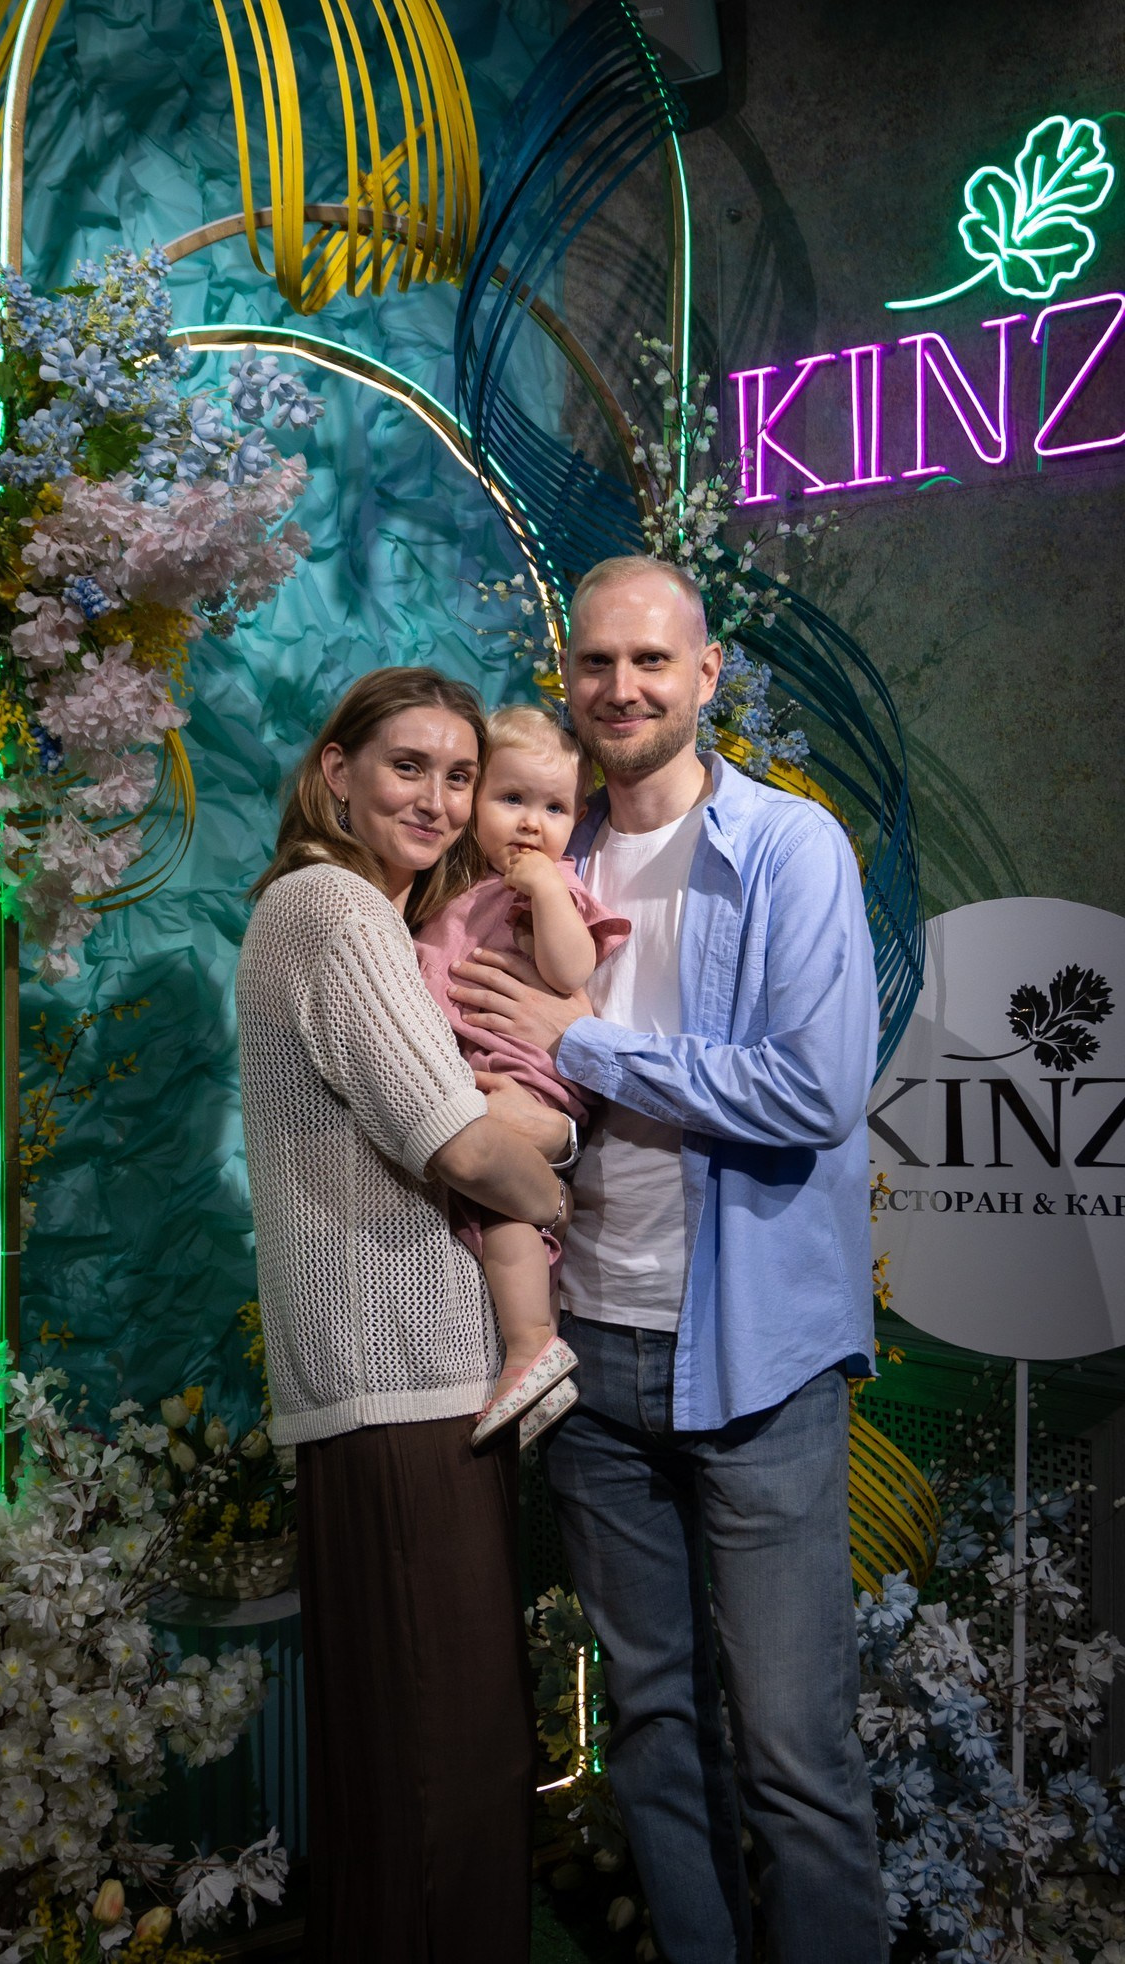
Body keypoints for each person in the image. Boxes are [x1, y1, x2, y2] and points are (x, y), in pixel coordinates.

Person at [446, 554, 890, 1964]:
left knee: (793, 1754)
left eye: (651, 660)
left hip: (757, 1366)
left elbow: (814, 1091)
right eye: (596, 661)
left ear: (706, 674)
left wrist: (585, 1045)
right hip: (589, 1363)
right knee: (649, 1732)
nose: (622, 687)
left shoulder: (789, 849)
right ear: (567, 678)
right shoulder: (543, 853)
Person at [236, 665, 569, 1964]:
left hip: (392, 1392)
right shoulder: (335, 909)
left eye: (459, 775)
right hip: (400, 1392)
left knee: (399, 1773)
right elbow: (466, 1146)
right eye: (406, 767)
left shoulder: (360, 915)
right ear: (337, 773)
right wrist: (560, 1170)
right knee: (451, 1773)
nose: (436, 798)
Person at [415, 705, 630, 1446]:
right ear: (474, 800)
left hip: (525, 1077)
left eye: (555, 808)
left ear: (579, 818)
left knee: (504, 1207)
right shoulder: (456, 888)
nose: (533, 824)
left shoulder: (551, 886)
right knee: (476, 1210)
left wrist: (543, 889)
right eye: (511, 799)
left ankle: (532, 1343)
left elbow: (570, 970)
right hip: (471, 1072)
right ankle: (525, 1353)